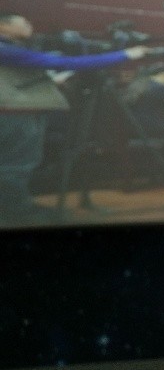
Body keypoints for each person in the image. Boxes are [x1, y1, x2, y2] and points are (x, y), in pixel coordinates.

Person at [0, 12, 151, 225]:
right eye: (23, 22)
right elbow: (65, 62)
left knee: (17, 165)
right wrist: (125, 54)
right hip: (14, 115)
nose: (29, 24)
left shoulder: (12, 49)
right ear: (3, 26)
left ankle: (18, 207)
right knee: (15, 167)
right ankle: (15, 213)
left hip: (20, 113)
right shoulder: (5, 49)